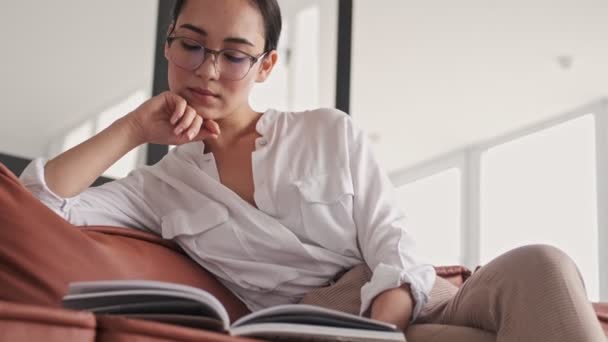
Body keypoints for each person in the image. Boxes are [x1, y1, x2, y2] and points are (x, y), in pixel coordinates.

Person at [15, 0, 605, 341]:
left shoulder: (327, 131)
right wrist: (133, 130)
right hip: (320, 329)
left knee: (543, 266)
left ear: (266, 65)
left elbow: (393, 243)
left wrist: (383, 328)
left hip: (410, 300)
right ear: (168, 46)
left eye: (235, 55)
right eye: (190, 45)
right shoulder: (159, 188)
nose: (208, 70)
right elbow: (33, 207)